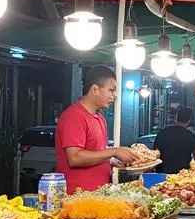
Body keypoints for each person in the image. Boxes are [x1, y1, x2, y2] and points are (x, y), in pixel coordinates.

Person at [55, 64, 139, 195]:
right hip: (76, 198)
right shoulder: (74, 116)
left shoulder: (100, 118)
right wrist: (115, 151)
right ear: (95, 89)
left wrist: (113, 161)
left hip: (98, 195)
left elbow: (96, 153)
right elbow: (75, 158)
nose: (113, 96)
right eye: (111, 90)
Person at [153, 106, 195, 173]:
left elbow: (155, 154)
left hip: (161, 174)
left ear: (176, 118)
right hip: (182, 175)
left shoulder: (162, 133)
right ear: (189, 120)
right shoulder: (191, 136)